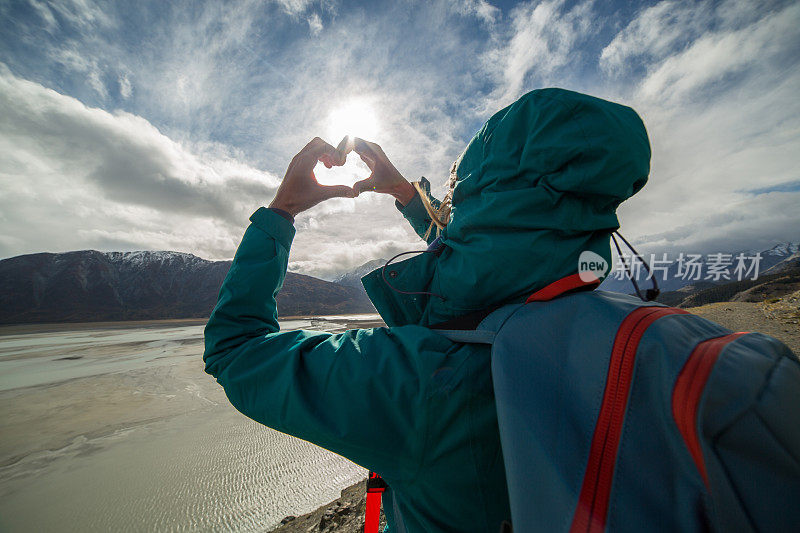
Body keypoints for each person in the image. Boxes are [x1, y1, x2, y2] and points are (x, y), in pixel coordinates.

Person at [203, 88, 651, 532]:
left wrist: (283, 210)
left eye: (457, 197)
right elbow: (503, 258)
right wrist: (408, 196)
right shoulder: (630, 330)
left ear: (476, 208)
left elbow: (234, 349)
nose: (448, 212)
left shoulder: (418, 379)